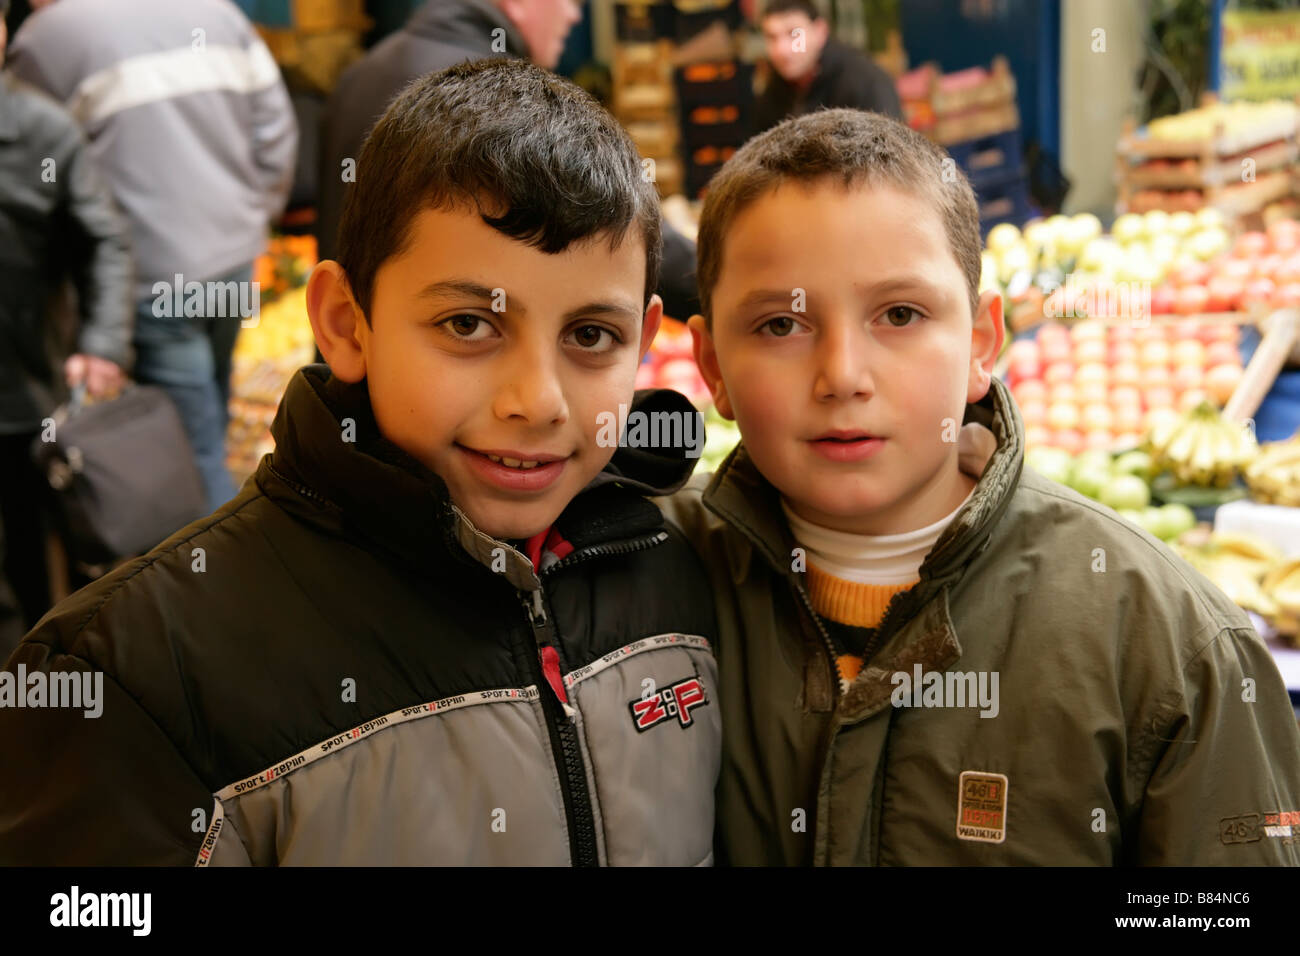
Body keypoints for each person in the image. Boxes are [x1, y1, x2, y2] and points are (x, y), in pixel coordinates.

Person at [0, 58, 719, 866]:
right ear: (346, 322)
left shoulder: (684, 578)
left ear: (644, 340)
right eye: (468, 326)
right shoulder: (137, 675)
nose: (538, 402)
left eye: (591, 336)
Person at [659, 109, 1300, 865]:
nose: (843, 377)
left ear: (981, 344)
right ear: (709, 367)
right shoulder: (644, 582)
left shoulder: (1169, 646)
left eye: (900, 314)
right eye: (779, 326)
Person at [7, 0, 298, 512]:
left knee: (192, 447)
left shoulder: (51, 34)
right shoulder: (216, 11)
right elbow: (275, 130)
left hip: (149, 271)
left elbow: (31, 158)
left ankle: (216, 580)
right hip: (230, 254)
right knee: (211, 412)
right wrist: (253, 218)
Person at [316, 0, 700, 322]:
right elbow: (603, 218)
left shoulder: (363, 72)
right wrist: (711, 280)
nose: (573, 15)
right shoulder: (491, 97)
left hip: (359, 361)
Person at [0, 0, 133, 650]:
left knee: (34, 562)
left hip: (24, 391)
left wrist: (103, 344)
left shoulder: (42, 132)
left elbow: (103, 242)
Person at [751, 0, 902, 138]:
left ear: (820, 31)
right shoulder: (776, 86)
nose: (781, 50)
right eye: (772, 37)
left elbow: (890, 155)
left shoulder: (865, 81)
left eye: (794, 34)